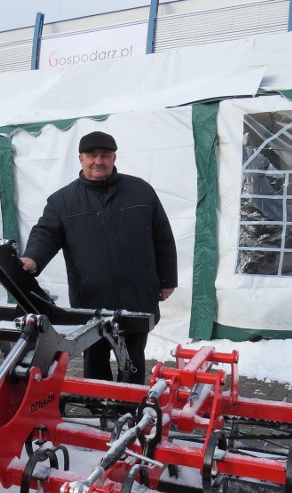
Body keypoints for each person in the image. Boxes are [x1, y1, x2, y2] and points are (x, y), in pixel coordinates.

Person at [20, 130, 178, 384]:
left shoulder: (140, 191)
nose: (98, 161)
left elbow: (163, 237)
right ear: (80, 158)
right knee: (95, 356)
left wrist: (167, 279)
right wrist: (32, 259)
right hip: (92, 299)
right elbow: (46, 233)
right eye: (92, 155)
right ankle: (97, 408)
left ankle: (130, 404)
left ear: (114, 158)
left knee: (134, 354)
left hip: (137, 293)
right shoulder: (63, 201)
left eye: (105, 155)